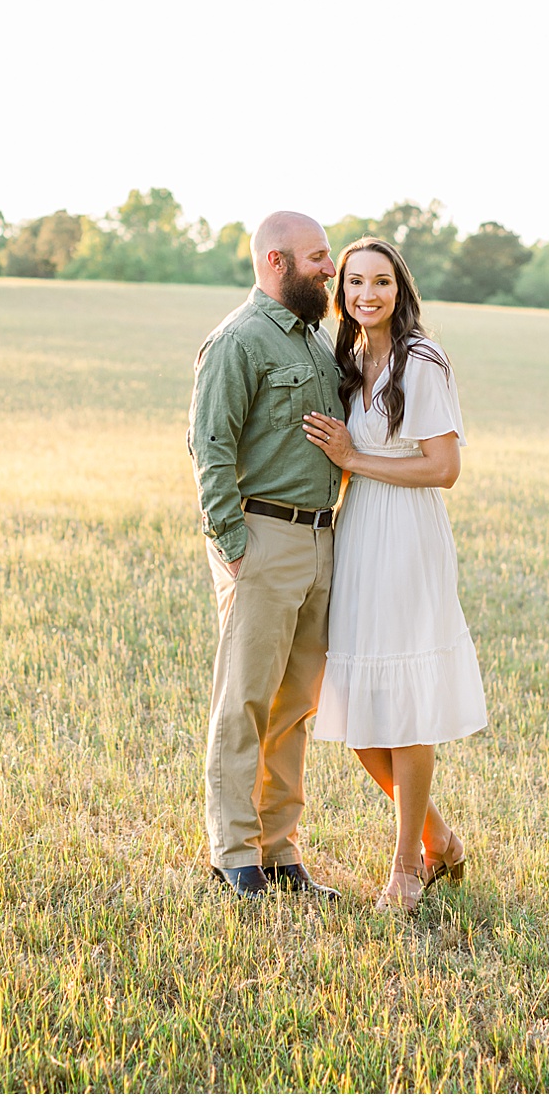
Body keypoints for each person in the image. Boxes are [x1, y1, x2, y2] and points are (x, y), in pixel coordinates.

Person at [301, 237, 486, 912]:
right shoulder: (348, 359)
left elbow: (444, 467)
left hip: (408, 536)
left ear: (399, 288)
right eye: (355, 282)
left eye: (381, 281)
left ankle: (407, 863)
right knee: (349, 705)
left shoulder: (422, 360)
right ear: (342, 291)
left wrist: (355, 457)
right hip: (359, 535)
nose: (367, 294)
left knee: (405, 705)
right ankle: (441, 835)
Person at [186, 210, 347, 899]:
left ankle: (281, 851)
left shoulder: (315, 342)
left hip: (320, 539)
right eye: (317, 257)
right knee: (245, 700)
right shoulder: (238, 340)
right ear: (276, 261)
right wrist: (233, 545)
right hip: (264, 539)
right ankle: (233, 853)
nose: (329, 268)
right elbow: (210, 445)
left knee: (294, 708)